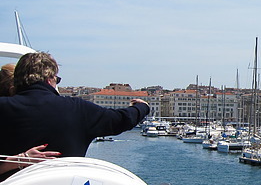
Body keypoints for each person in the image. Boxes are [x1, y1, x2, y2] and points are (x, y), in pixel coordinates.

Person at [0, 51, 150, 158]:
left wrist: (18, 159)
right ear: (49, 79)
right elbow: (120, 119)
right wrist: (142, 107)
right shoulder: (77, 109)